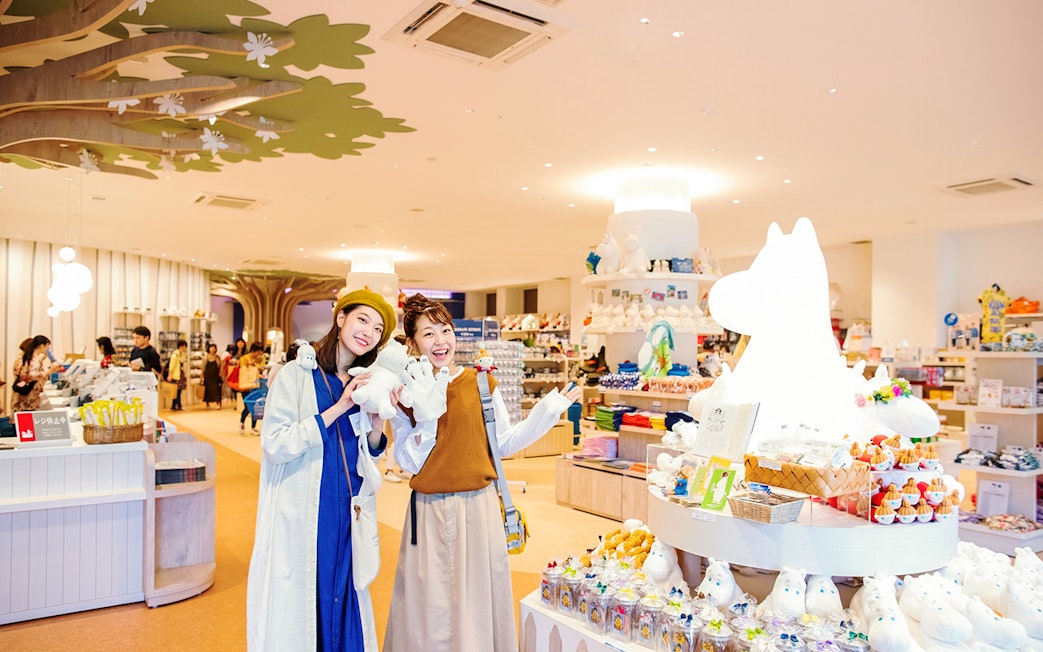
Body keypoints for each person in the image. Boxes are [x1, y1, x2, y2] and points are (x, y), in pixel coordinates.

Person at [383, 294, 583, 652]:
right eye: (428, 334)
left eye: (446, 330)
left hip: (479, 508)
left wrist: (548, 411)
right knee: (431, 609)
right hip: (428, 512)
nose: (441, 341)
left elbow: (503, 443)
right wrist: (427, 413)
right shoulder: (404, 393)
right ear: (412, 343)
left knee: (477, 603)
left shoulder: (480, 383)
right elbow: (408, 461)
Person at [246, 289, 397, 652]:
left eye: (378, 329)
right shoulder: (296, 375)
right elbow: (276, 444)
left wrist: (376, 425)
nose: (369, 333)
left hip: (349, 508)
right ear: (341, 317)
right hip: (307, 507)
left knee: (345, 595)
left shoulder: (365, 382)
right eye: (363, 320)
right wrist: (339, 407)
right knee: (306, 597)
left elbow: (367, 455)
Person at [12, 335, 61, 413]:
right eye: (47, 347)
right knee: (27, 418)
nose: (47, 350)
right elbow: (32, 375)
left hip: (30, 395)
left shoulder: (33, 358)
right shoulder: (33, 359)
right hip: (29, 396)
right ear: (42, 346)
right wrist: (49, 371)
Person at [238, 342, 265, 434]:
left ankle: (253, 427)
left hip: (256, 386)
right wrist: (251, 364)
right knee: (247, 406)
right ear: (253, 351)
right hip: (246, 386)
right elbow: (243, 370)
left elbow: (262, 369)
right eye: (258, 351)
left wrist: (255, 366)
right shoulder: (244, 359)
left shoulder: (261, 359)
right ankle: (242, 423)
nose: (259, 353)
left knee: (256, 407)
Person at [167, 339, 188, 411]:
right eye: (184, 346)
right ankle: (178, 405)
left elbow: (183, 366)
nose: (185, 348)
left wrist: (185, 374)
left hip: (180, 374)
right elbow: (171, 366)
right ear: (181, 346)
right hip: (175, 375)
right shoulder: (175, 355)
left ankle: (174, 405)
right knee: (177, 391)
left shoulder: (183, 355)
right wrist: (170, 375)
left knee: (178, 391)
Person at [202, 343, 224, 409]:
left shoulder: (217, 357)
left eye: (214, 348)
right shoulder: (206, 357)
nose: (212, 349)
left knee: (216, 390)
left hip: (215, 376)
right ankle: (207, 403)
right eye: (211, 348)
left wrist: (221, 372)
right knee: (208, 390)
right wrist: (201, 376)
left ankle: (218, 403)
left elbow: (221, 366)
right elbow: (203, 367)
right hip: (208, 376)